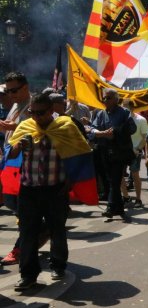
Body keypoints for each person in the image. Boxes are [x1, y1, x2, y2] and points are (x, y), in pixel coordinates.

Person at [8, 94, 91, 291]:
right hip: (28, 190)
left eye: (41, 113)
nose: (36, 117)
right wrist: (18, 146)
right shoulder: (25, 126)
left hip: (56, 189)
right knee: (27, 234)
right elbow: (9, 155)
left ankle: (58, 265)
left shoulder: (65, 127)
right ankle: (28, 275)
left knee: (57, 231)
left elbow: (81, 154)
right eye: (32, 112)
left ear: (51, 110)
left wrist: (70, 182)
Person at [88, 88, 136, 220]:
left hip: (119, 152)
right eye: (104, 98)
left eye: (108, 98)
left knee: (115, 180)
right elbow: (92, 128)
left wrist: (115, 133)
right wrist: (101, 133)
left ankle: (110, 207)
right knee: (109, 180)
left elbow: (132, 129)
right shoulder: (100, 113)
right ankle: (119, 208)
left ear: (116, 99)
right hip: (103, 151)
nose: (105, 100)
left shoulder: (124, 113)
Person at [0, 72, 32, 266]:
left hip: (26, 165)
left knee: (23, 207)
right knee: (12, 202)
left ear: (25, 87)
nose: (10, 94)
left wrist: (13, 126)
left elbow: (37, 127)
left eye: (14, 90)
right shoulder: (14, 105)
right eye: (8, 91)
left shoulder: (34, 104)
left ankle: (21, 248)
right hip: (10, 162)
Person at [119, 99, 148, 208]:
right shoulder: (121, 119)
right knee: (120, 175)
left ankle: (138, 199)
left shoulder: (141, 120)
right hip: (122, 151)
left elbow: (145, 137)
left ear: (132, 108)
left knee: (135, 175)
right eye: (122, 106)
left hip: (135, 151)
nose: (123, 109)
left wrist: (138, 149)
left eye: (125, 106)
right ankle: (126, 197)